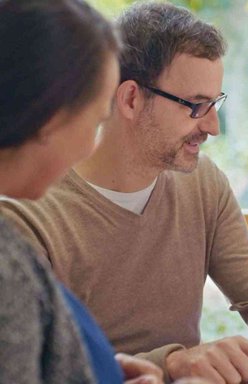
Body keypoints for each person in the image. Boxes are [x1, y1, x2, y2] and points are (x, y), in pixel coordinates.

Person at [0, 2, 248, 384]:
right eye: (195, 105)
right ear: (129, 98)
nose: (212, 126)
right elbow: (47, 362)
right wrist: (172, 362)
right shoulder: (26, 209)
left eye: (215, 103)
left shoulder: (201, 182)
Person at [0, 0, 164, 383]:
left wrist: (84, 368)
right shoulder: (7, 266)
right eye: (97, 122)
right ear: (51, 118)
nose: (92, 146)